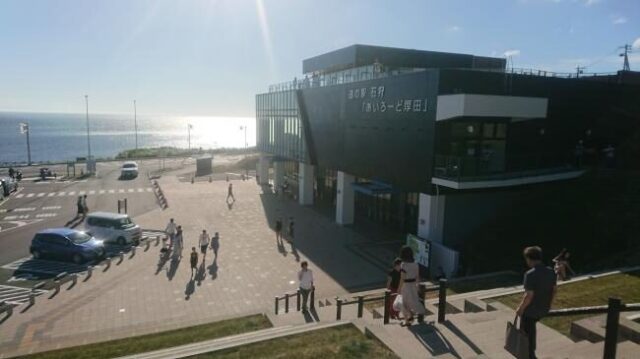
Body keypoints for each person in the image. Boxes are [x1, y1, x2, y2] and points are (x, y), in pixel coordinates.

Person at [516, 246, 557, 359]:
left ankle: (529, 355)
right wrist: (549, 304)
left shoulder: (530, 274)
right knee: (531, 330)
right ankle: (530, 352)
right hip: (544, 308)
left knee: (526, 334)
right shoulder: (551, 271)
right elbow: (554, 290)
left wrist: (520, 309)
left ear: (529, 259)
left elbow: (529, 296)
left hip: (531, 311)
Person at [397, 246, 426, 326]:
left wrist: (399, 288)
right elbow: (417, 276)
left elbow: (402, 278)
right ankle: (411, 316)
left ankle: (407, 320)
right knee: (412, 301)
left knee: (404, 303)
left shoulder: (404, 265)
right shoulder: (416, 264)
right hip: (413, 285)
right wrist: (418, 286)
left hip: (406, 286)